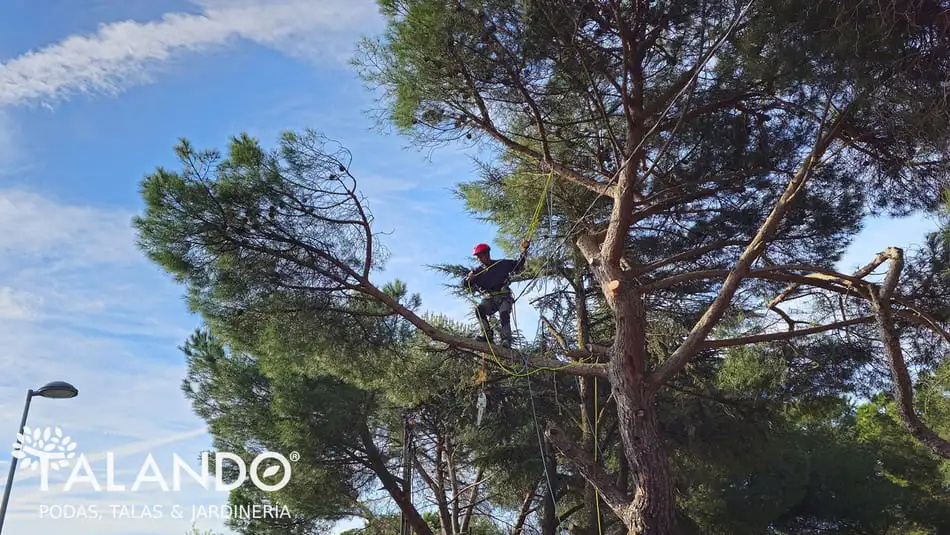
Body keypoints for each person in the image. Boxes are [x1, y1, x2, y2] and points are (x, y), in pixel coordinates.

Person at [462, 241, 529, 348]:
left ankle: (506, 340)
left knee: (504, 315)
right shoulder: (477, 271)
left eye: (480, 255)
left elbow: (519, 264)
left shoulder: (501, 264)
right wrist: (468, 279)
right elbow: (465, 284)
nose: (479, 258)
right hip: (489, 299)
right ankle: (487, 335)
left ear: (487, 254)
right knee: (480, 310)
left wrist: (524, 250)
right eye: (477, 256)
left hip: (503, 296)